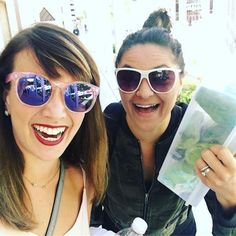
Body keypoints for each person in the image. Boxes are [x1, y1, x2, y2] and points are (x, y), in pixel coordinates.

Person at [90, 27, 236, 235]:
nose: (143, 91)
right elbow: (89, 198)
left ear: (180, 82)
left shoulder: (201, 134)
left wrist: (230, 197)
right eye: (129, 77)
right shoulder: (103, 129)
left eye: (160, 76)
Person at [0, 22, 108, 235]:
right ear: (6, 97)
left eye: (77, 93)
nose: (57, 112)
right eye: (34, 88)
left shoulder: (85, 184)